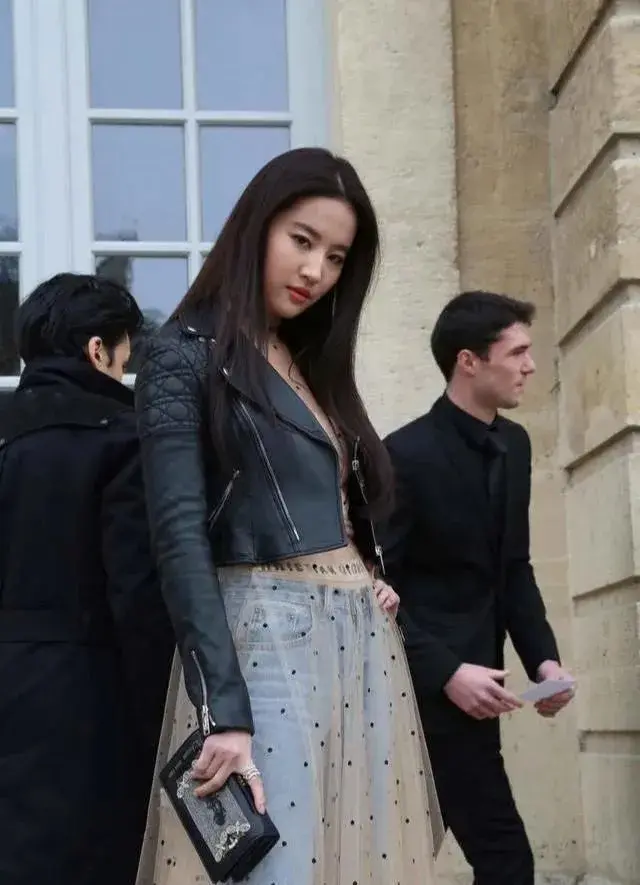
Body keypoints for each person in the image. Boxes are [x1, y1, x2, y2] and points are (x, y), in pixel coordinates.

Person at [134, 147, 444, 885]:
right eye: (301, 240)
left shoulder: (308, 361)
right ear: (256, 228)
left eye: (336, 257)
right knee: (281, 867)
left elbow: (336, 499)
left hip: (360, 641)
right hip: (266, 638)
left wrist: (366, 572)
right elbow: (179, 535)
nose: (315, 271)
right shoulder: (182, 354)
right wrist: (223, 708)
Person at [382, 291, 574, 885]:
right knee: (505, 860)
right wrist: (447, 672)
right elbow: (372, 590)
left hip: (479, 693)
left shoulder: (515, 445)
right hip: (417, 695)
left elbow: (513, 567)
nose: (530, 366)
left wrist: (544, 661)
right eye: (516, 353)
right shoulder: (402, 455)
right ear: (468, 361)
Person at [0, 273, 174, 885]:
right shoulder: (124, 442)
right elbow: (138, 598)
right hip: (86, 705)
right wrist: (168, 721)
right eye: (125, 356)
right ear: (98, 351)